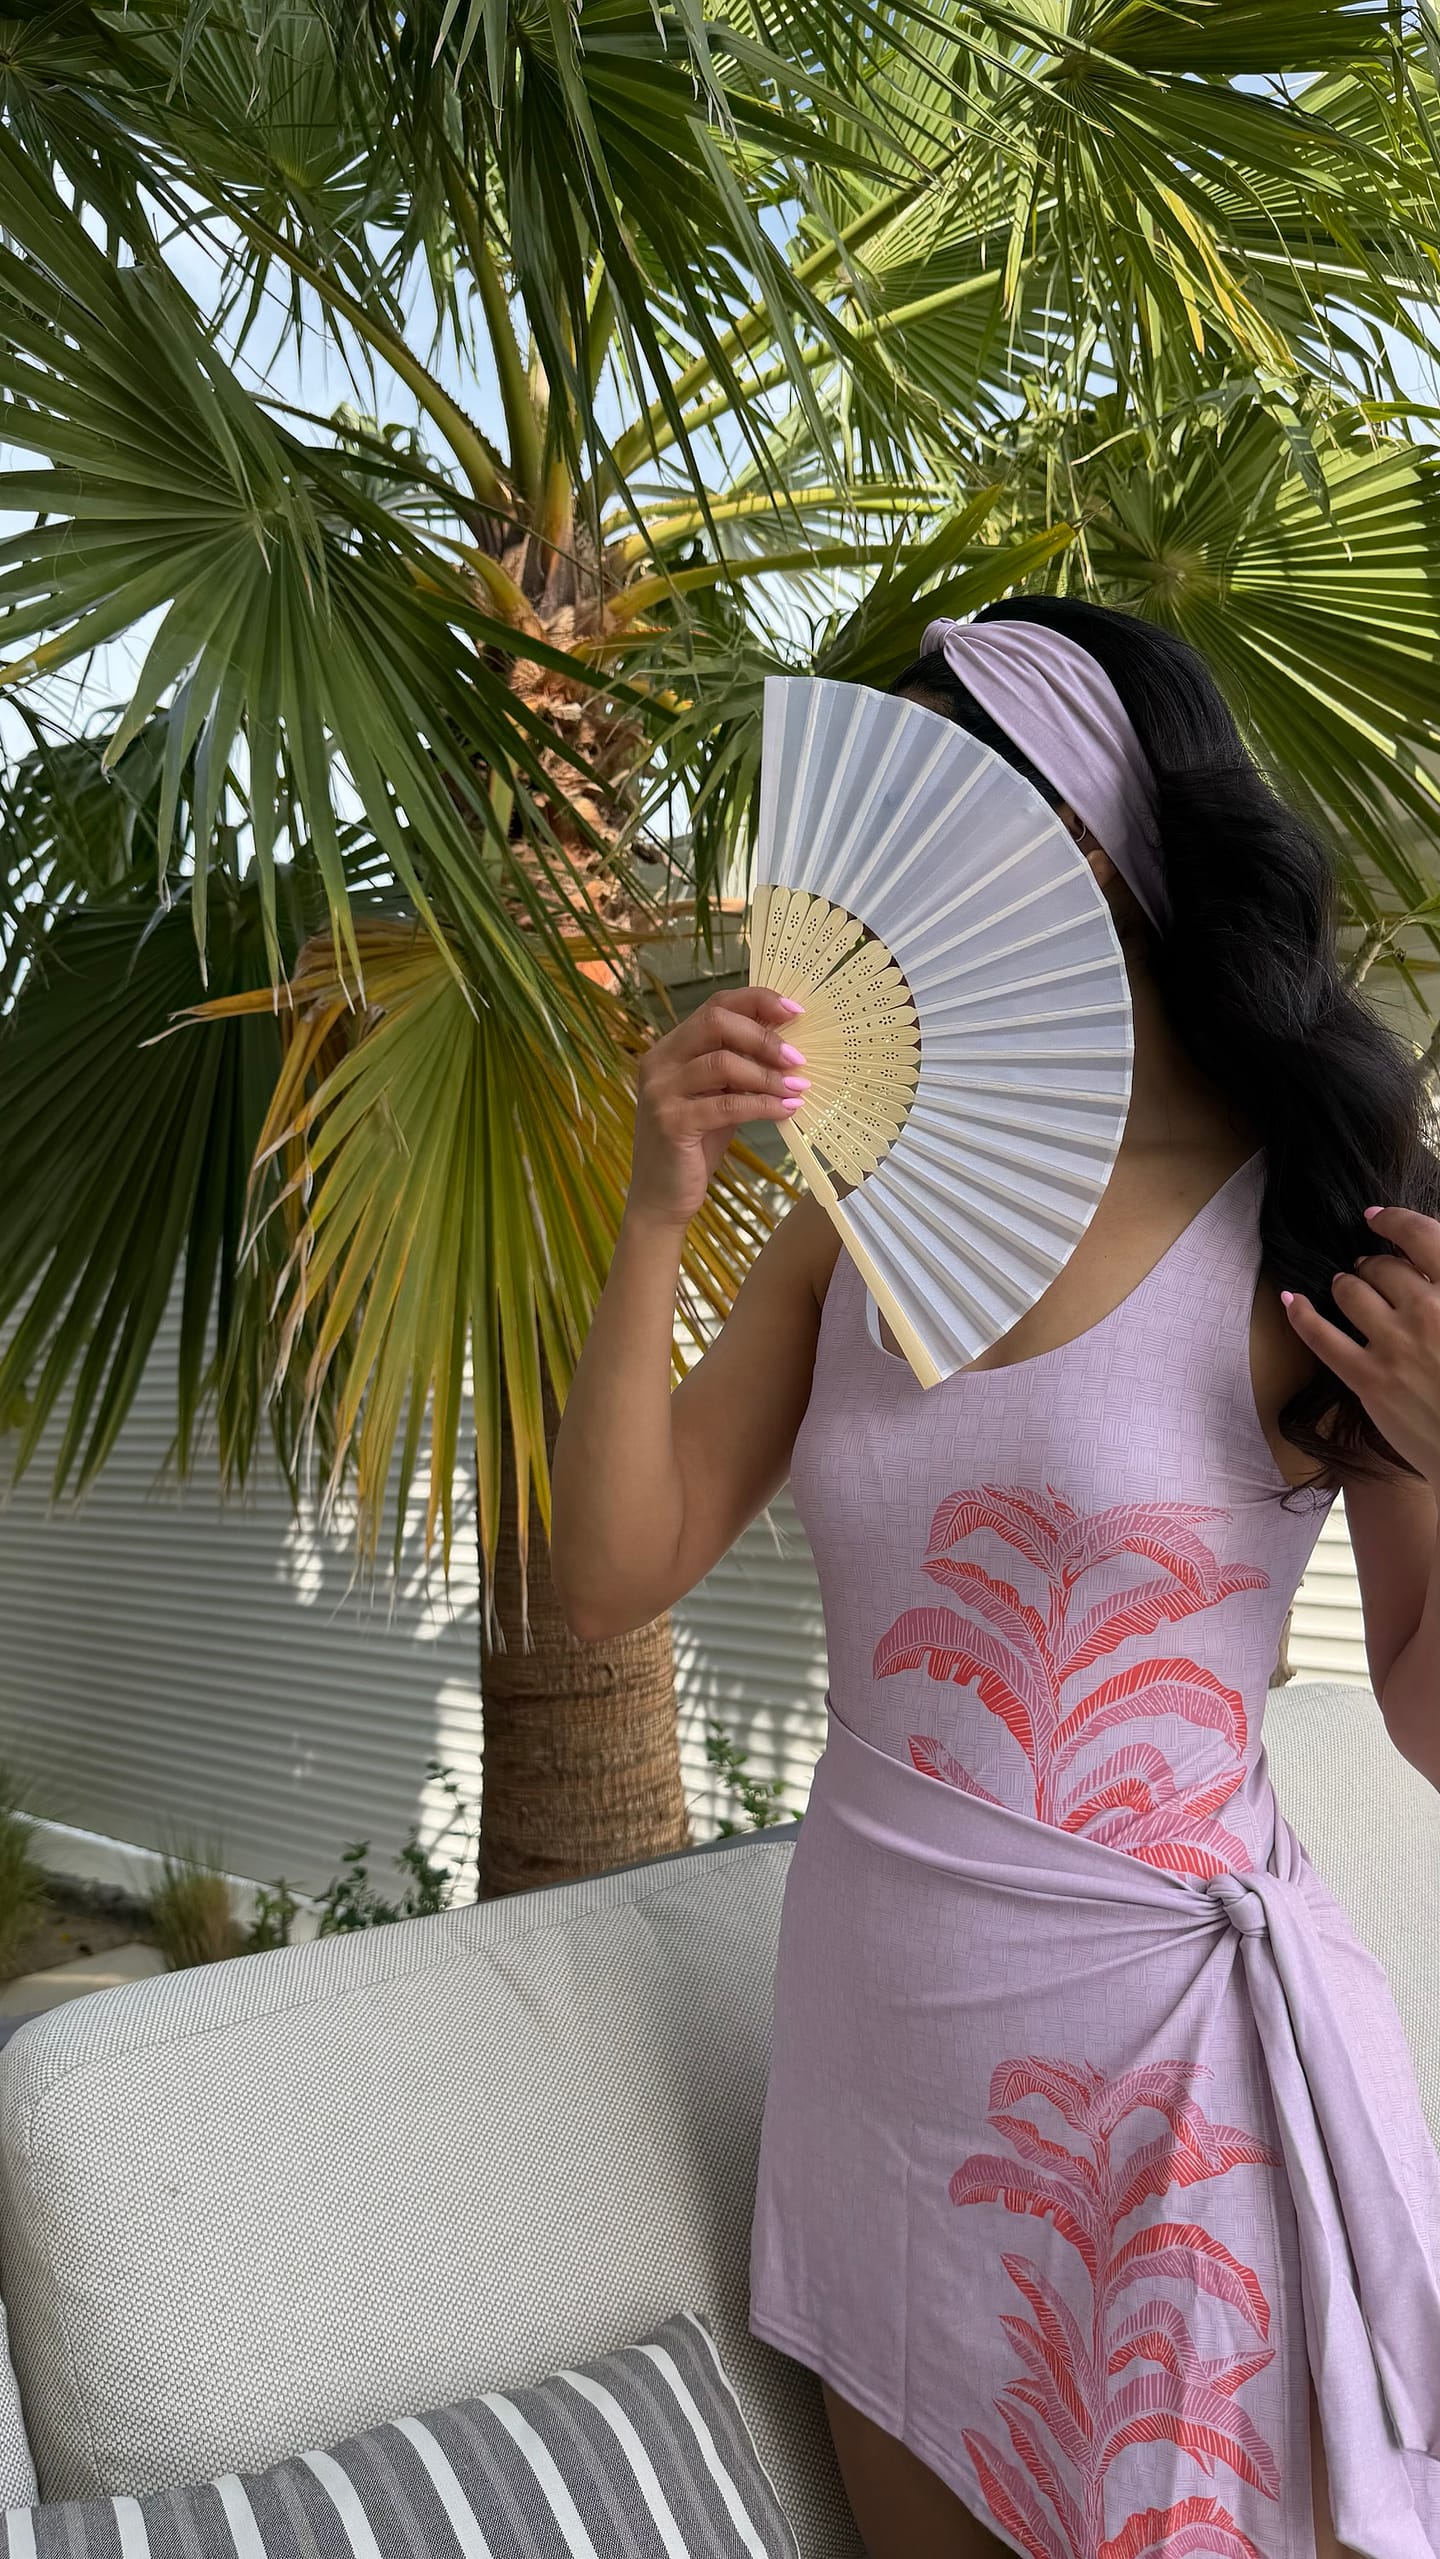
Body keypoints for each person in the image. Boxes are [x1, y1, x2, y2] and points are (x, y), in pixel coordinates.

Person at [551, 596, 1440, 2559]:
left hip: (1167, 2083)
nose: (891, 873)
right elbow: (611, 1572)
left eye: (951, 810)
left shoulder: (1324, 1207)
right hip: (874, 2066)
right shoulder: (861, 1210)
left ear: (1102, 846)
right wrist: (656, 1210)